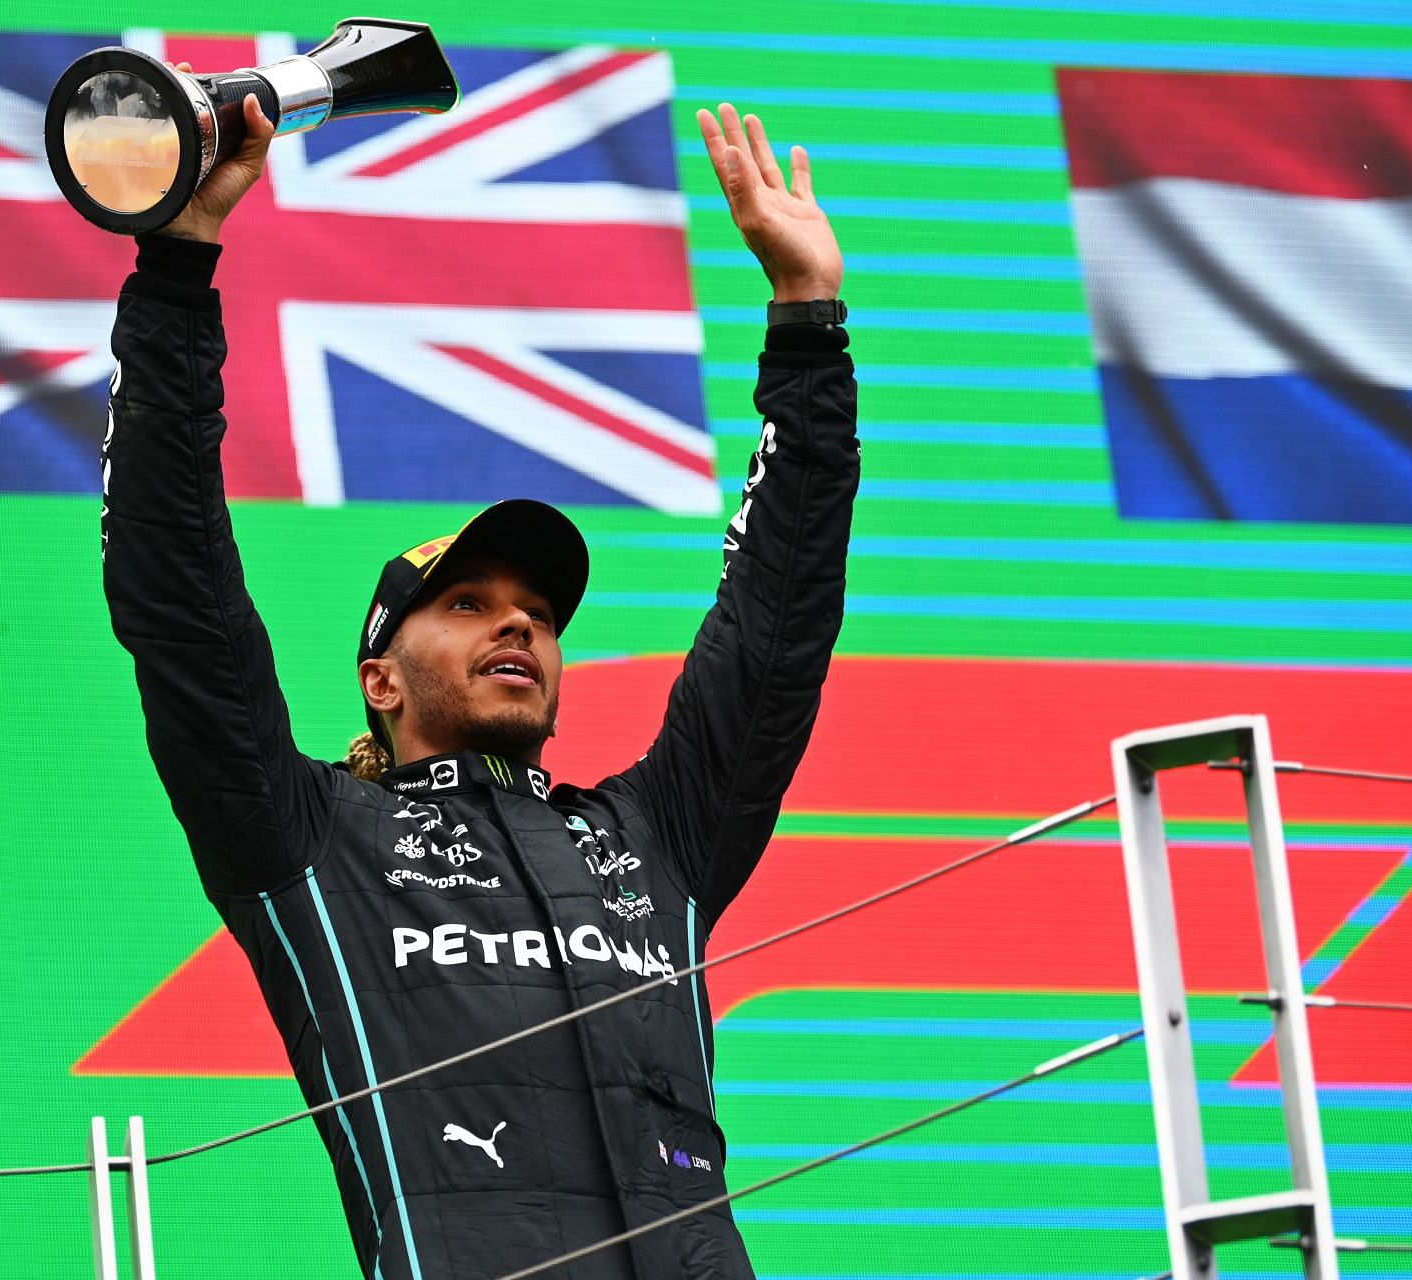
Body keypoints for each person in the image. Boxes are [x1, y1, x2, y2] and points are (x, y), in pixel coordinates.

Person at [100, 86, 858, 1280]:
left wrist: (807, 320)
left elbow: (776, 628)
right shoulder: (308, 837)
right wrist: (179, 265)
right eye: (466, 603)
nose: (518, 620)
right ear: (379, 680)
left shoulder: (652, 837)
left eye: (540, 613)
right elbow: (176, 597)